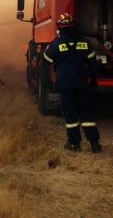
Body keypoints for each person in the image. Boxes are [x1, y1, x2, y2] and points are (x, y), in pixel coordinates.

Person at [43, 13, 102, 153]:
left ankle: (74, 144)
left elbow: (46, 60)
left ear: (60, 28)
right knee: (86, 112)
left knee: (70, 113)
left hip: (65, 82)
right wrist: (93, 79)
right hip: (81, 81)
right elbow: (93, 63)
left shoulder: (56, 44)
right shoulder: (85, 42)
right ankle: (94, 144)